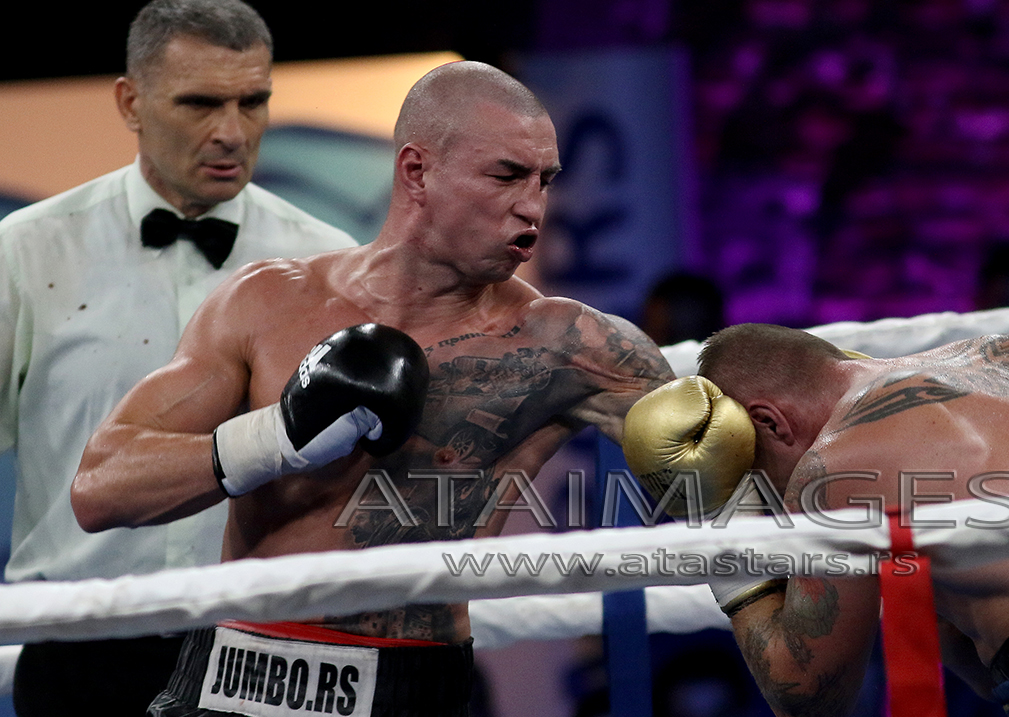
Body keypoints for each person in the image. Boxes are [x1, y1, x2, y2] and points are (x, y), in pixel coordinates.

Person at [71, 59, 674, 716]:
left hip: (406, 684)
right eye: (506, 176)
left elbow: (726, 477)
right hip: (233, 673)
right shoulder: (267, 302)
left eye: (545, 180)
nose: (533, 206)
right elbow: (99, 489)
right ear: (417, 171)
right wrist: (275, 437)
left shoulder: (568, 345)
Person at [0, 0, 357, 712]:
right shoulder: (28, 251)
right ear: (130, 103)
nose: (232, 132)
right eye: (199, 103)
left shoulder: (331, 264)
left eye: (253, 102)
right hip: (78, 643)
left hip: (265, 645)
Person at [624, 324, 1009, 717]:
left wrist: (723, 525)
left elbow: (808, 693)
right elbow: (989, 664)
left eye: (759, 482)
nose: (777, 507)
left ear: (770, 422)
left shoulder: (835, 465)